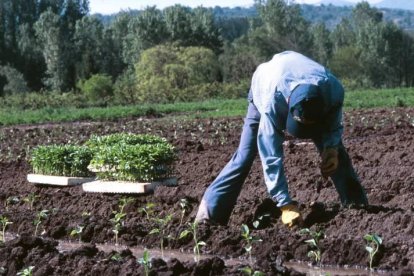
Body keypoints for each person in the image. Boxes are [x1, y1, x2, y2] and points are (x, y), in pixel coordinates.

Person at [195, 51, 368, 227]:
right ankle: (208, 215)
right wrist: (284, 204)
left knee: (338, 154)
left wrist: (331, 148)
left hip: (304, 84)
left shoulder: (333, 89)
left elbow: (333, 122)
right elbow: (271, 157)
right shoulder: (272, 103)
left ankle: (359, 209)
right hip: (264, 85)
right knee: (245, 155)